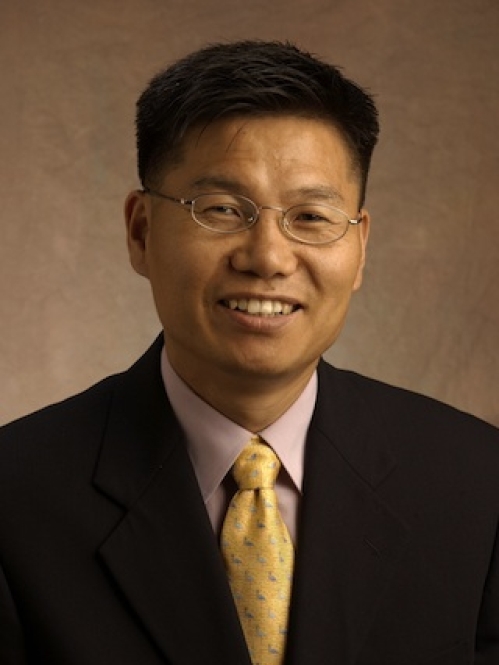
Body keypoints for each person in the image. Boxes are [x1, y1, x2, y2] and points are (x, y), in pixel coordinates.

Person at [0, 40, 498, 665]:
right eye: (222, 210)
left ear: (360, 247)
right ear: (140, 231)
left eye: (311, 216)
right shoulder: (15, 498)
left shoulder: (477, 484)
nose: (266, 257)